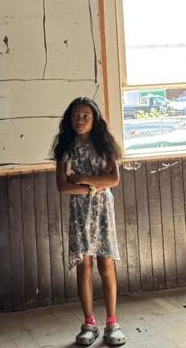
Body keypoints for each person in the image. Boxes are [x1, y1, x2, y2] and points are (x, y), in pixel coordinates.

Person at [52, 97, 127, 346]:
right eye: (75, 116)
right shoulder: (65, 147)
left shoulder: (104, 145)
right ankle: (89, 324)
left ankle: (112, 323)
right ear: (69, 119)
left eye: (85, 115)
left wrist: (82, 179)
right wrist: (94, 186)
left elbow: (113, 180)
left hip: (103, 210)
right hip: (80, 211)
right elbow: (63, 186)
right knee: (84, 267)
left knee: (106, 265)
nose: (79, 120)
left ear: (94, 119)